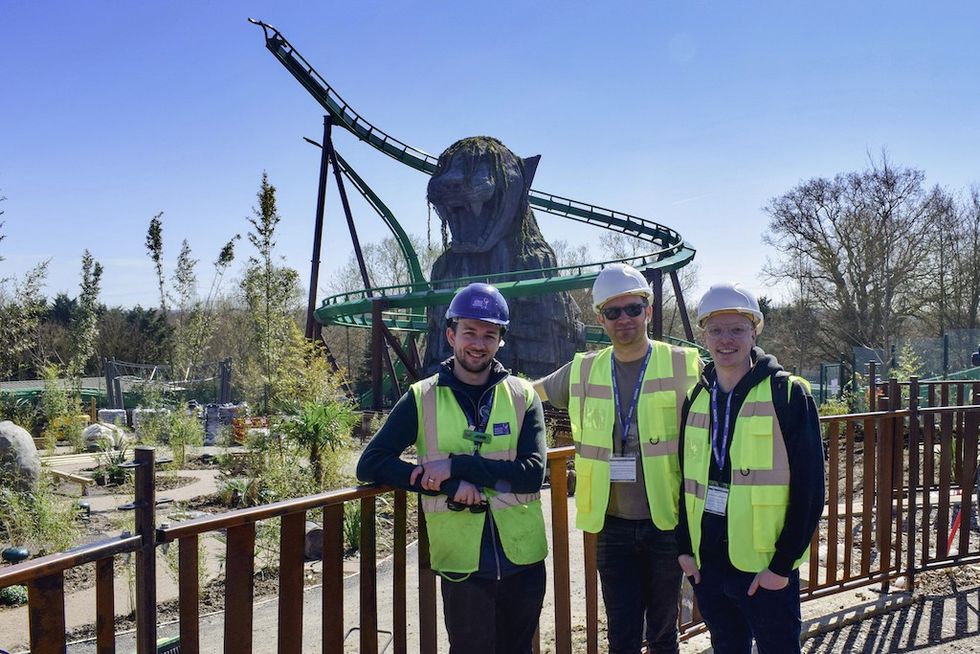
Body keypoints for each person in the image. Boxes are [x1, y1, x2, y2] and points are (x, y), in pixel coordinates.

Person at [356, 282, 548, 654]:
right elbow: (371, 464)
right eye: (470, 332)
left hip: (523, 561)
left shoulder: (523, 396)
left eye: (489, 335)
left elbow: (533, 472)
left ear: (500, 341)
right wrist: (444, 484)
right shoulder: (422, 397)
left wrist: (459, 465)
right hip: (463, 564)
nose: (478, 343)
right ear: (451, 334)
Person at [533, 263, 701, 654]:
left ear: (649, 310)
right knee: (621, 633)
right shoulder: (585, 369)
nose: (624, 318)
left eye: (632, 309)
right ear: (600, 319)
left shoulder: (683, 364)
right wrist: (481, 382)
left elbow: (729, 393)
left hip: (666, 522)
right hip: (612, 525)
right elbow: (530, 393)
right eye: (613, 312)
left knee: (662, 632)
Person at [676, 283, 825, 654]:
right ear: (704, 335)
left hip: (764, 569)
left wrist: (781, 567)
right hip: (708, 566)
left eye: (737, 330)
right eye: (716, 330)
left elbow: (810, 492)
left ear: (754, 331)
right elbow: (685, 481)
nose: (726, 340)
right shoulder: (697, 398)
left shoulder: (788, 394)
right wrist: (684, 549)